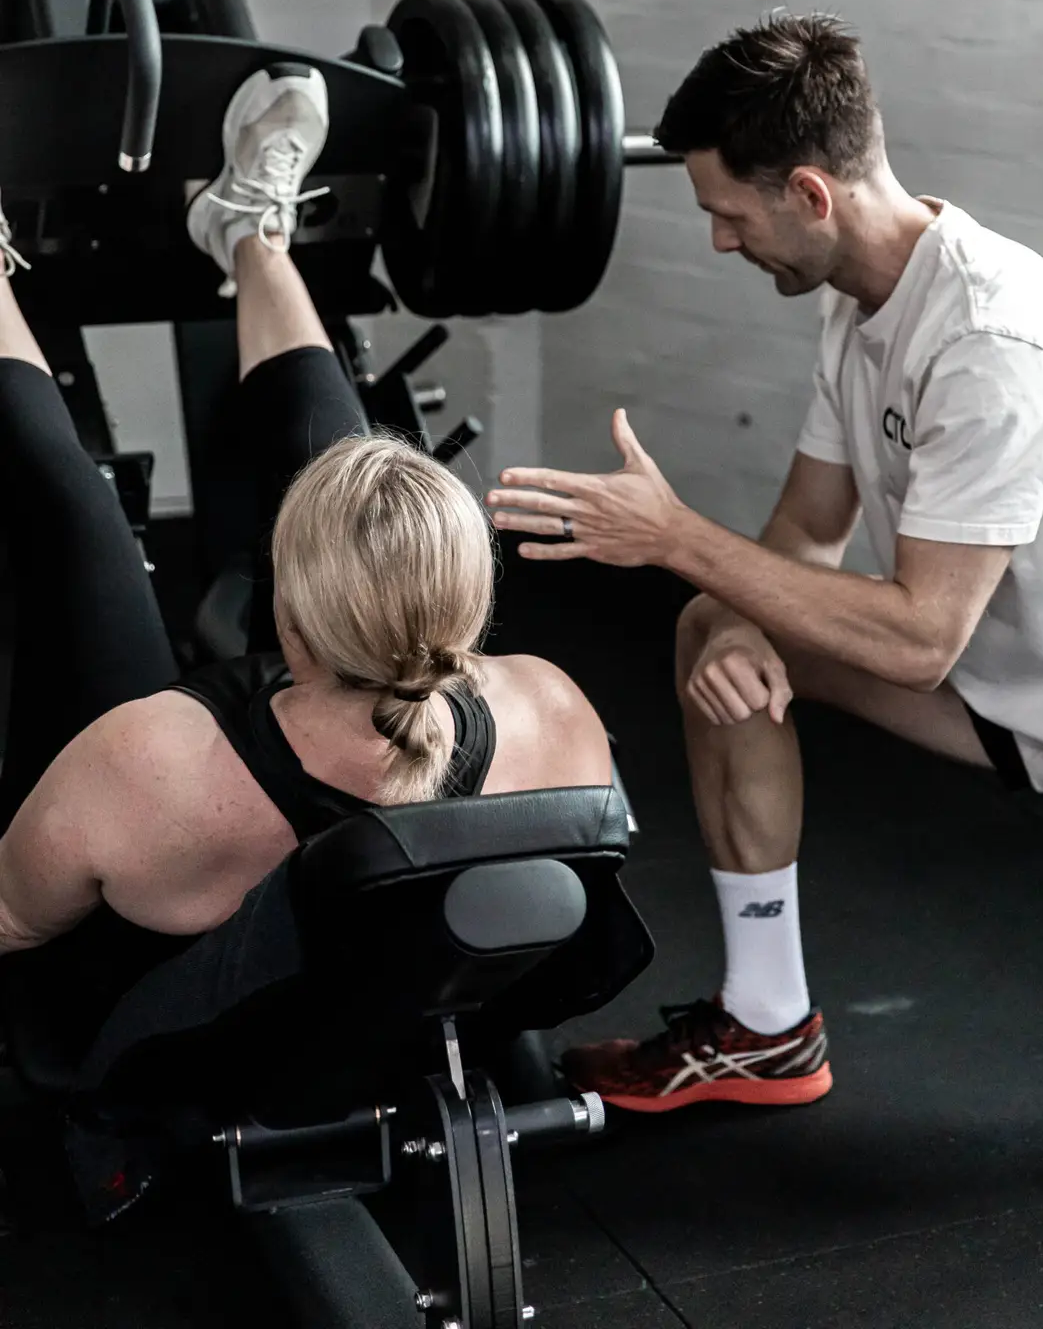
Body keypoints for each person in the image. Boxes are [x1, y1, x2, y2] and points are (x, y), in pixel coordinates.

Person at [488, 12, 1043, 1160]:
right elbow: (807, 530)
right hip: (1015, 695)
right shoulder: (859, 306)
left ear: (809, 195)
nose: (716, 240)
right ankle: (765, 1023)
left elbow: (916, 638)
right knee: (717, 624)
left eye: (726, 214)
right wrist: (730, 613)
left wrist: (671, 537)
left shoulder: (996, 339)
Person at [0, 66, 610, 1036]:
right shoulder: (550, 709)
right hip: (393, 1033)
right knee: (350, 481)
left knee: (75, 531)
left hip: (171, 1054)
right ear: (469, 599)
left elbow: (12, 925)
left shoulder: (145, 763)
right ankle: (247, 227)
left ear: (285, 614)